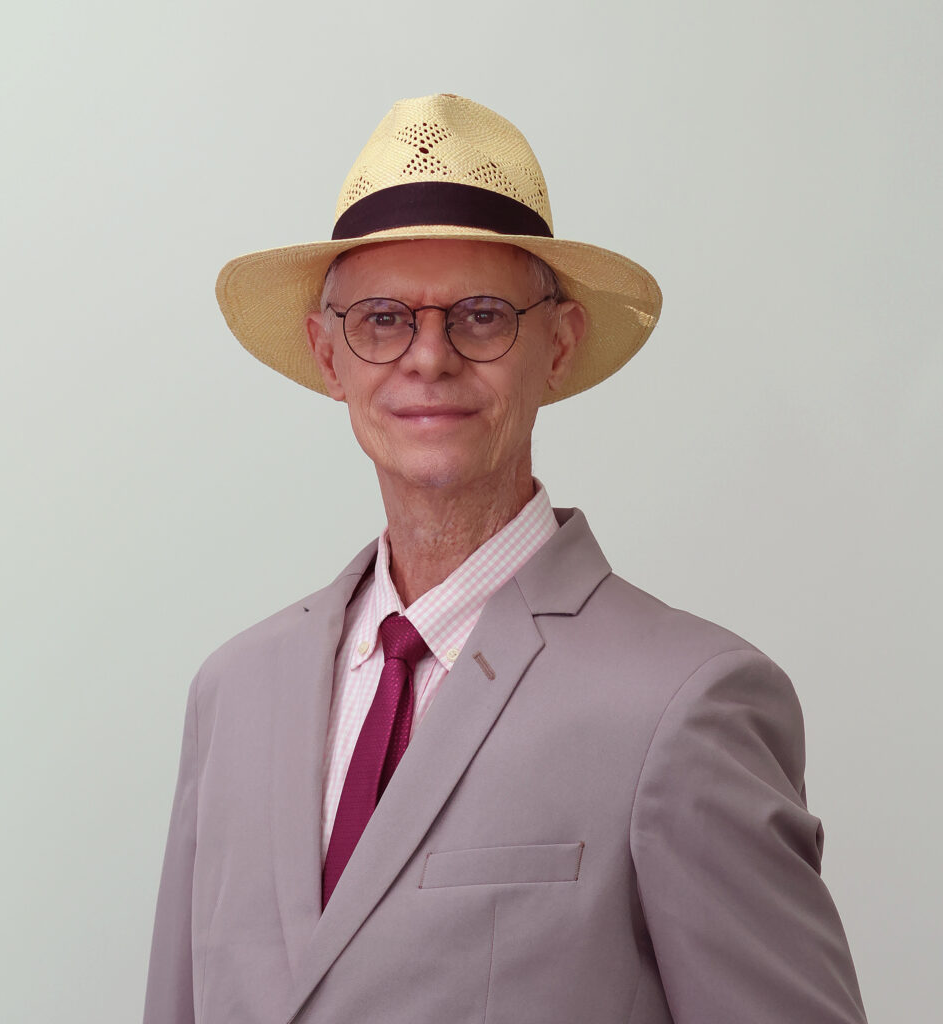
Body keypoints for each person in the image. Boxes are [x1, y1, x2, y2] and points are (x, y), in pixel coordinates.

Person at [143, 94, 866, 1023]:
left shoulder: (685, 704)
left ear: (558, 346)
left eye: (481, 316)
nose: (429, 357)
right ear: (328, 355)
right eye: (381, 319)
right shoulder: (233, 694)